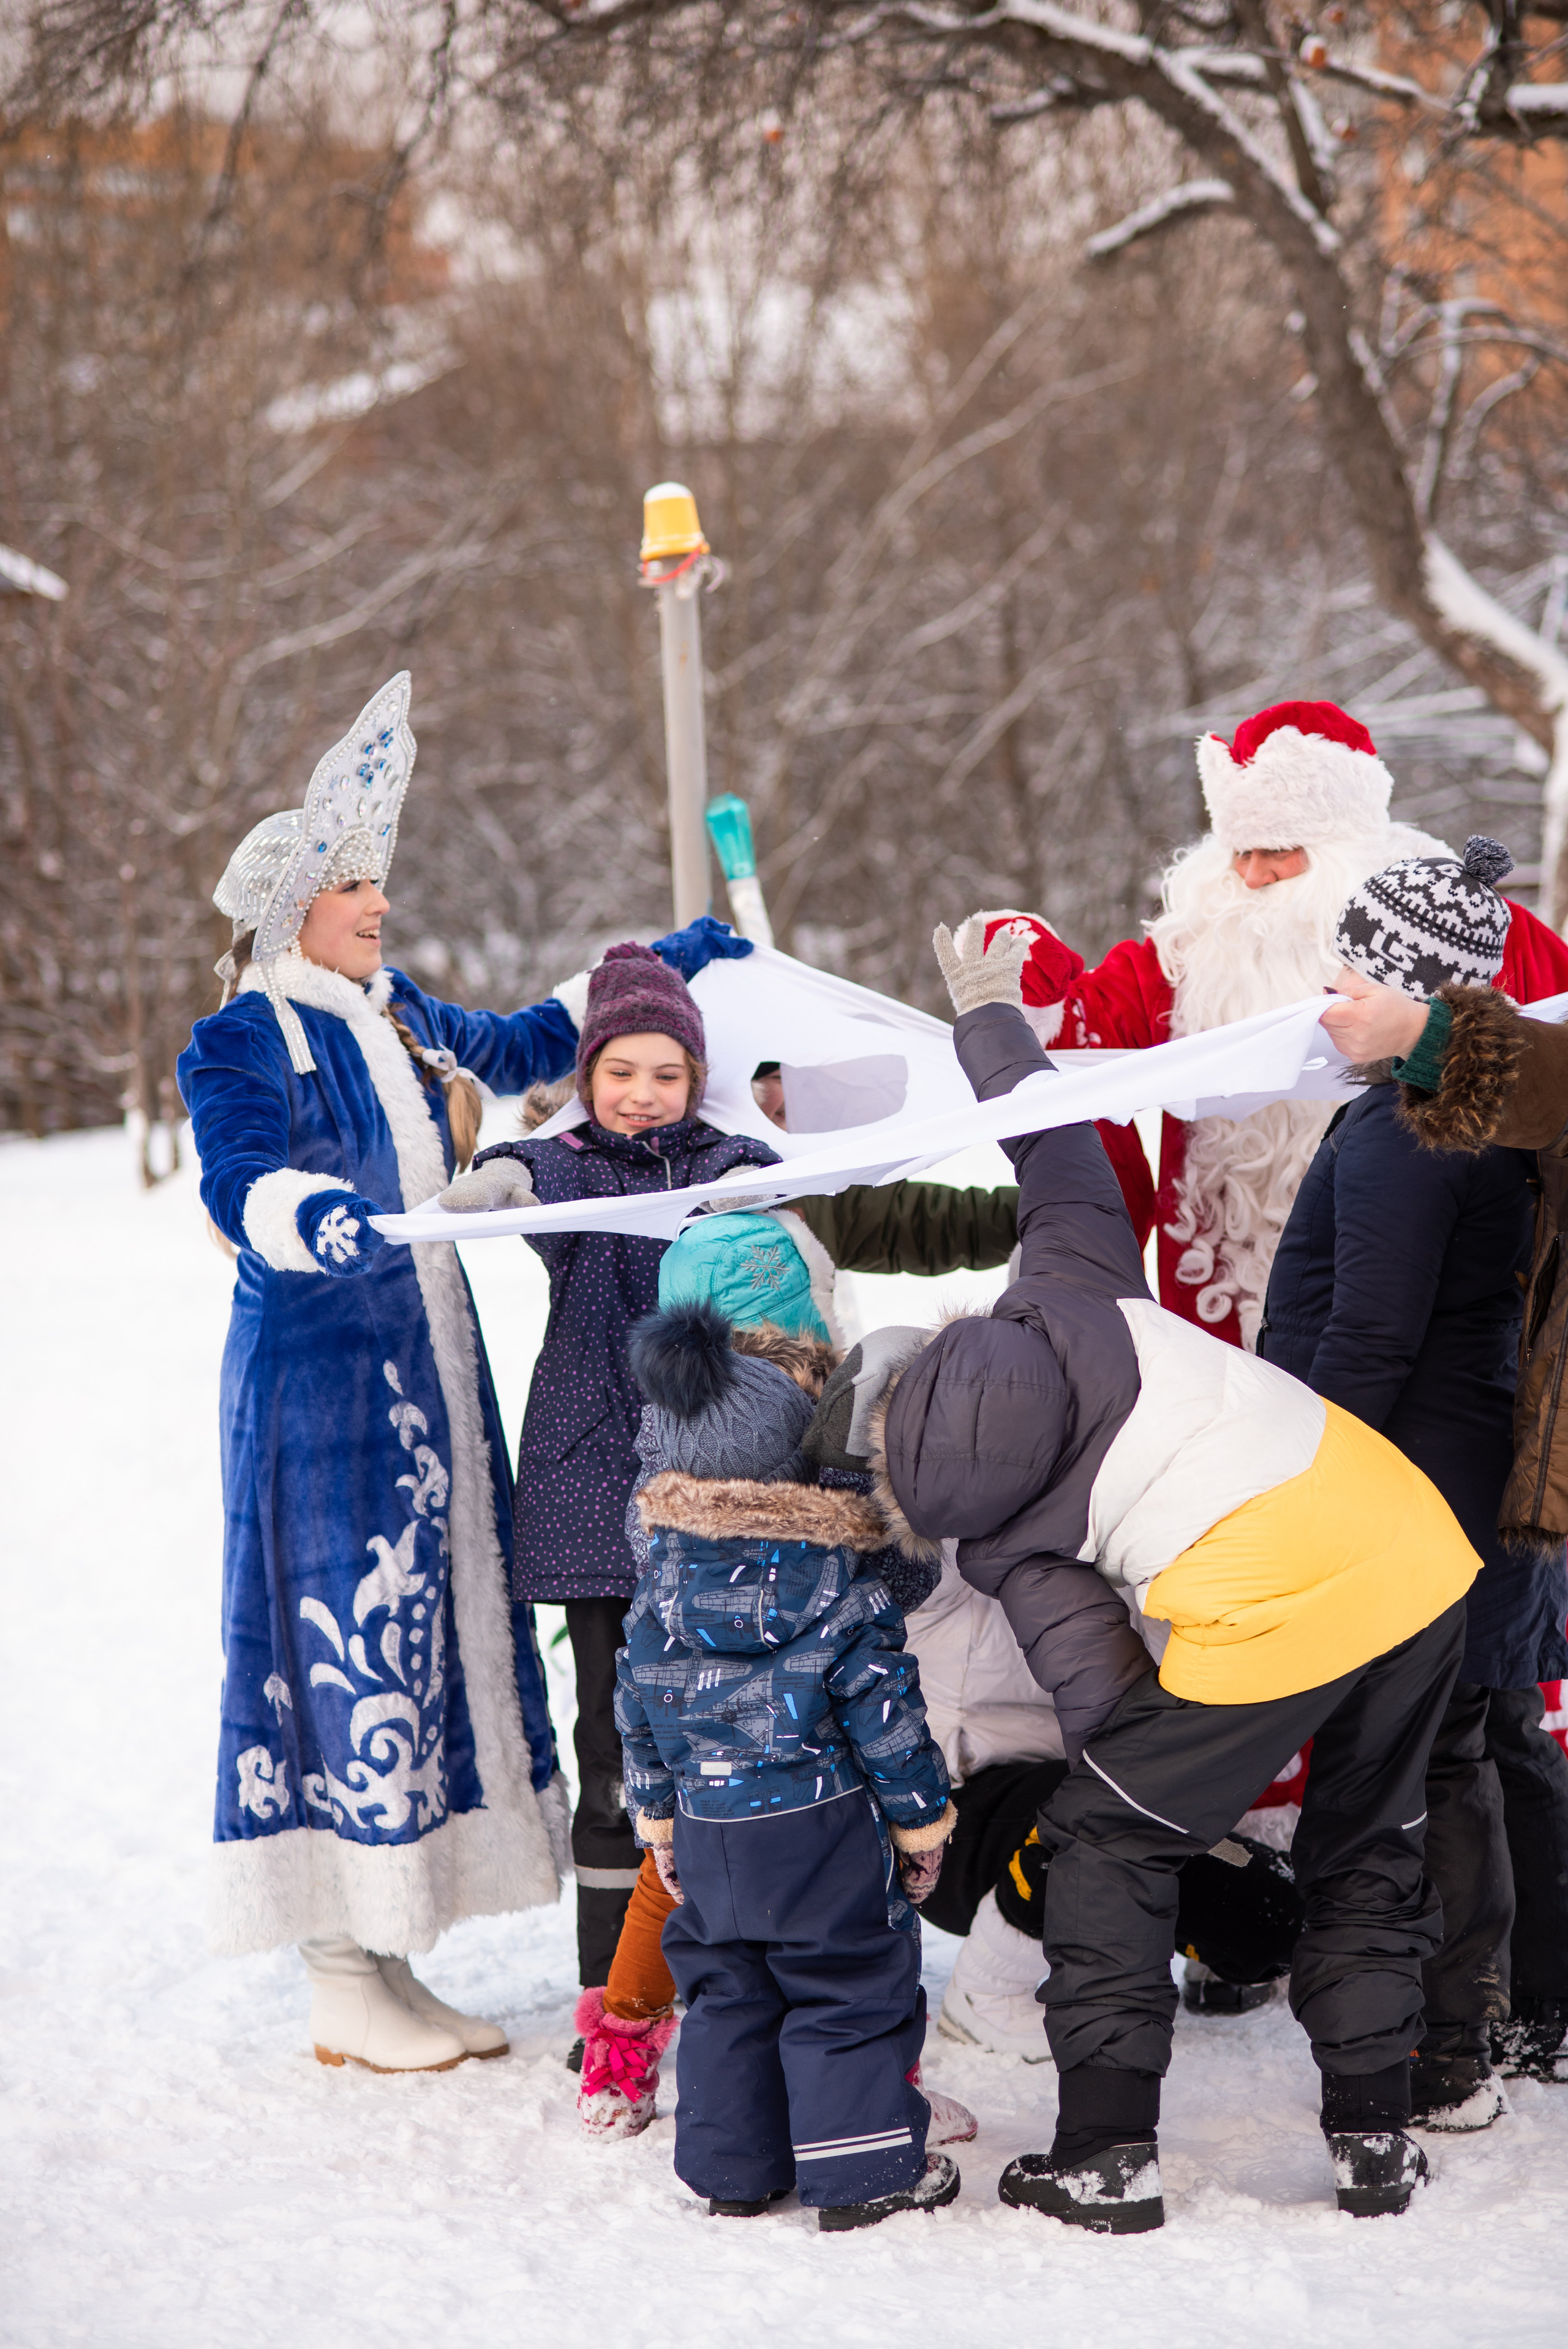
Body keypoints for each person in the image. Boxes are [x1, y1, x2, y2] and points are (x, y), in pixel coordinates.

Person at [857, 911, 1482, 2229]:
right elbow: (1048, 1136)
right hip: (1411, 1542)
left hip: (1273, 1600)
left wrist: (1162, 1821)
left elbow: (1101, 1709)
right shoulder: (1070, 1281)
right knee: (1370, 1830)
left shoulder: (1009, 1541)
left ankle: (1104, 2154)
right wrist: (984, 1012)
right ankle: (1373, 2136)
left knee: (1095, 1840)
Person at [179, 672, 595, 2072]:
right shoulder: (247, 1032)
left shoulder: (389, 1005)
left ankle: (390, 1955)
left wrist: (638, 976)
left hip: (424, 1367)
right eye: (354, 883)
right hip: (319, 1391)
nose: (379, 902)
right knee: (335, 1641)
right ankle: (340, 1967)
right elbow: (236, 1179)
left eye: (378, 881)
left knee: (420, 1635)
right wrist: (309, 1214)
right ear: (290, 902)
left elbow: (519, 1051)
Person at [1261, 836, 1565, 2128]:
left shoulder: (1400, 1137)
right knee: (1471, 1747)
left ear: (1426, 996)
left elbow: (1367, 1338)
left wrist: (1304, 1477)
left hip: (1405, 1485)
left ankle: (1445, 2047)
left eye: (1346, 977)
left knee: (1424, 1763)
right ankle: (1483, 2017)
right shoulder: (1452, 1122)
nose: (1321, 997)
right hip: (1460, 1473)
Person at [1005, 700, 1568, 1347]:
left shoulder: (1476, 933)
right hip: (1222, 1303)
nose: (1248, 875)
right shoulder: (1186, 952)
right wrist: (1022, 973)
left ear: (1343, 851)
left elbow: (1552, 1068)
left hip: (1435, 1308)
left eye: (1276, 851)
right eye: (1236, 850)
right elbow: (1080, 1040)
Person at [436, 942, 779, 1998]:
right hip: (590, 1490)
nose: (642, 1094)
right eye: (620, 1072)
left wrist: (762, 1187)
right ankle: (610, 1987)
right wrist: (501, 1169)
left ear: (695, 1080)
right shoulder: (571, 1162)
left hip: (712, 1484)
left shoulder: (726, 1163)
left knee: (725, 1727)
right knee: (611, 1741)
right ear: (588, 1078)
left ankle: (722, 1959)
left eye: (665, 1074)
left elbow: (776, 1191)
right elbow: (534, 1166)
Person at [616, 1304, 962, 2231]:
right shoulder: (839, 1584)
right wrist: (920, 1822)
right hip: (823, 1826)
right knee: (847, 1984)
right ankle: (858, 2177)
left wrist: (658, 1821)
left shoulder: (658, 1588)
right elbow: (886, 1714)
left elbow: (639, 1711)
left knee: (729, 1988)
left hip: (709, 1827)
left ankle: (736, 2168)